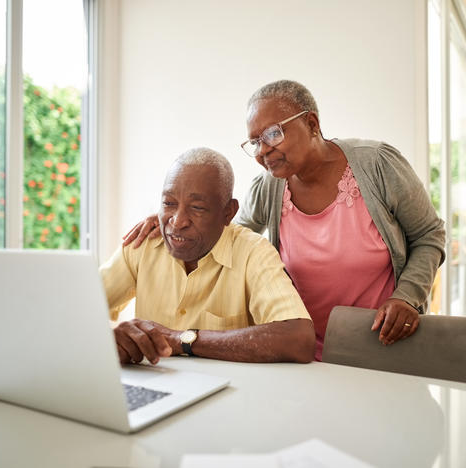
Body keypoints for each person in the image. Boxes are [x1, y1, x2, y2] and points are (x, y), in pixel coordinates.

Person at [124, 81, 446, 360]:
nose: (263, 151)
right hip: (300, 350)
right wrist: (177, 215)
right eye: (255, 142)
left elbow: (430, 235)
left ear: (312, 123)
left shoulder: (377, 165)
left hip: (381, 343)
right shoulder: (270, 186)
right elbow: (229, 232)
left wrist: (406, 296)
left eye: (273, 134)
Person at [102, 147, 315, 365]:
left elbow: (299, 340)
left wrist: (181, 340)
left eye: (197, 208)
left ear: (228, 212)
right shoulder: (142, 245)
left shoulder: (253, 253)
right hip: (155, 387)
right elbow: (75, 311)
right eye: (169, 203)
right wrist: (115, 336)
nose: (177, 221)